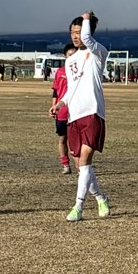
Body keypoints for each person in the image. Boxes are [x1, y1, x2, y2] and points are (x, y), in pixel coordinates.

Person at [59, 11, 112, 221]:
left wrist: (87, 19)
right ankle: (101, 198)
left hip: (92, 112)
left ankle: (78, 207)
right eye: (72, 32)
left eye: (79, 32)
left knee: (85, 160)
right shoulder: (70, 60)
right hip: (74, 115)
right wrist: (61, 103)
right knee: (81, 166)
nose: (75, 36)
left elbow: (88, 39)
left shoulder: (99, 52)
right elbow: (71, 88)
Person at [50, 53, 72, 174]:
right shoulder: (60, 72)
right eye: (69, 55)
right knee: (62, 138)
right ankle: (65, 165)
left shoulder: (82, 71)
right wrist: (54, 106)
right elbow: (56, 91)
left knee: (76, 140)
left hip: (77, 110)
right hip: (62, 110)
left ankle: (81, 165)